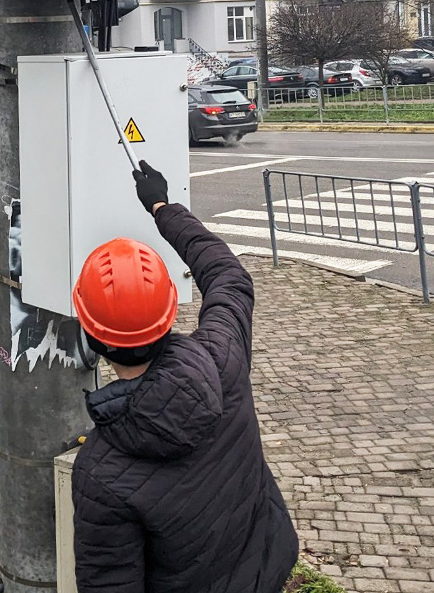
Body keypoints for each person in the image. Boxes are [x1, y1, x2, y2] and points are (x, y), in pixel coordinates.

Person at [70, 160, 299, 593]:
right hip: (266, 567)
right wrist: (161, 205)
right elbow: (228, 275)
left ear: (91, 335)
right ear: (170, 311)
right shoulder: (223, 357)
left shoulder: (101, 474)